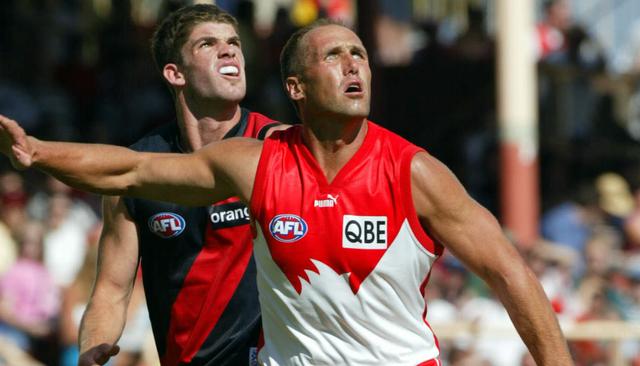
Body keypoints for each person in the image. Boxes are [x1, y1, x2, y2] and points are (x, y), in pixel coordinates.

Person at [0, 19, 573, 365]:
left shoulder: (414, 171)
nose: (355, 66)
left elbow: (510, 273)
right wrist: (40, 153)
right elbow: (129, 172)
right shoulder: (256, 165)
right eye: (334, 55)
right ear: (296, 86)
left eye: (360, 55)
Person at [64, 4, 284, 366]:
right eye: (208, 44)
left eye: (233, 42)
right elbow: (112, 289)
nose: (229, 50)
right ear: (175, 73)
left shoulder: (279, 147)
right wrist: (91, 350)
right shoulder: (138, 170)